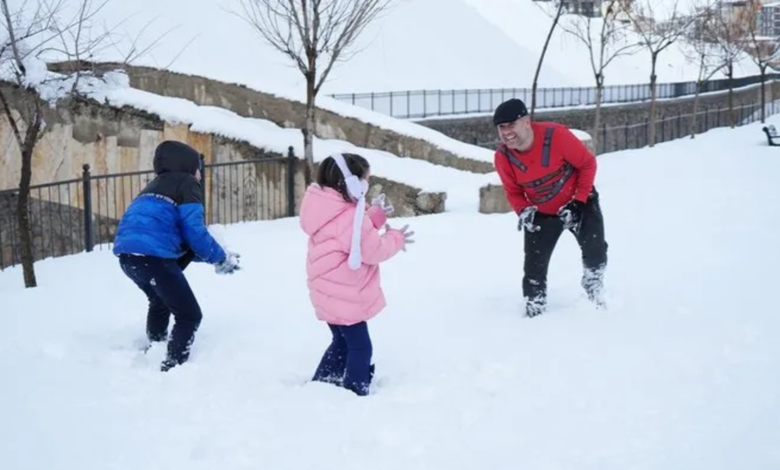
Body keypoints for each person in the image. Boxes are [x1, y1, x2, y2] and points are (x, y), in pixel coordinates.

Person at [113, 140, 241, 371]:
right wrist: (220, 258)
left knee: (159, 300)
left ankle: (156, 345)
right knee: (189, 315)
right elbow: (194, 231)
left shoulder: (152, 186)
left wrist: (214, 256)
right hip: (153, 258)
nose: (200, 176)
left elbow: (178, 241)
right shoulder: (187, 183)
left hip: (128, 256)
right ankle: (173, 366)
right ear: (189, 167)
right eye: (199, 170)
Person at [299, 152, 414, 396]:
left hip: (328, 292)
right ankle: (354, 391)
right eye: (365, 179)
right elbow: (372, 250)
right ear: (350, 183)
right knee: (361, 347)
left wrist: (375, 217)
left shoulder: (324, 207)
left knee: (341, 341)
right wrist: (396, 238)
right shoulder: (350, 216)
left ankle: (323, 382)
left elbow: (348, 231)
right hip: (345, 295)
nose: (367, 185)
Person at [492, 98, 608, 317]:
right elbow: (513, 191)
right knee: (533, 271)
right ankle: (535, 310)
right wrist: (524, 210)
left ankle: (594, 291)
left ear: (526, 121)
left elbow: (587, 164)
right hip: (542, 215)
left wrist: (579, 201)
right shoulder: (503, 158)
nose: (506, 132)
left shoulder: (556, 136)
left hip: (580, 204)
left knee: (596, 252)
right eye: (501, 127)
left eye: (511, 125)